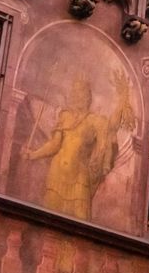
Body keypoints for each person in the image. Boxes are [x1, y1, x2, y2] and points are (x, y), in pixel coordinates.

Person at [24, 74, 132, 219]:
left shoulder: (95, 121)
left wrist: (123, 99)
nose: (76, 95)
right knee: (48, 222)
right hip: (56, 176)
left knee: (81, 221)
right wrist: (32, 155)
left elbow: (111, 127)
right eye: (74, 92)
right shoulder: (65, 116)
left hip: (79, 180)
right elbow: (54, 145)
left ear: (88, 96)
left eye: (81, 92)